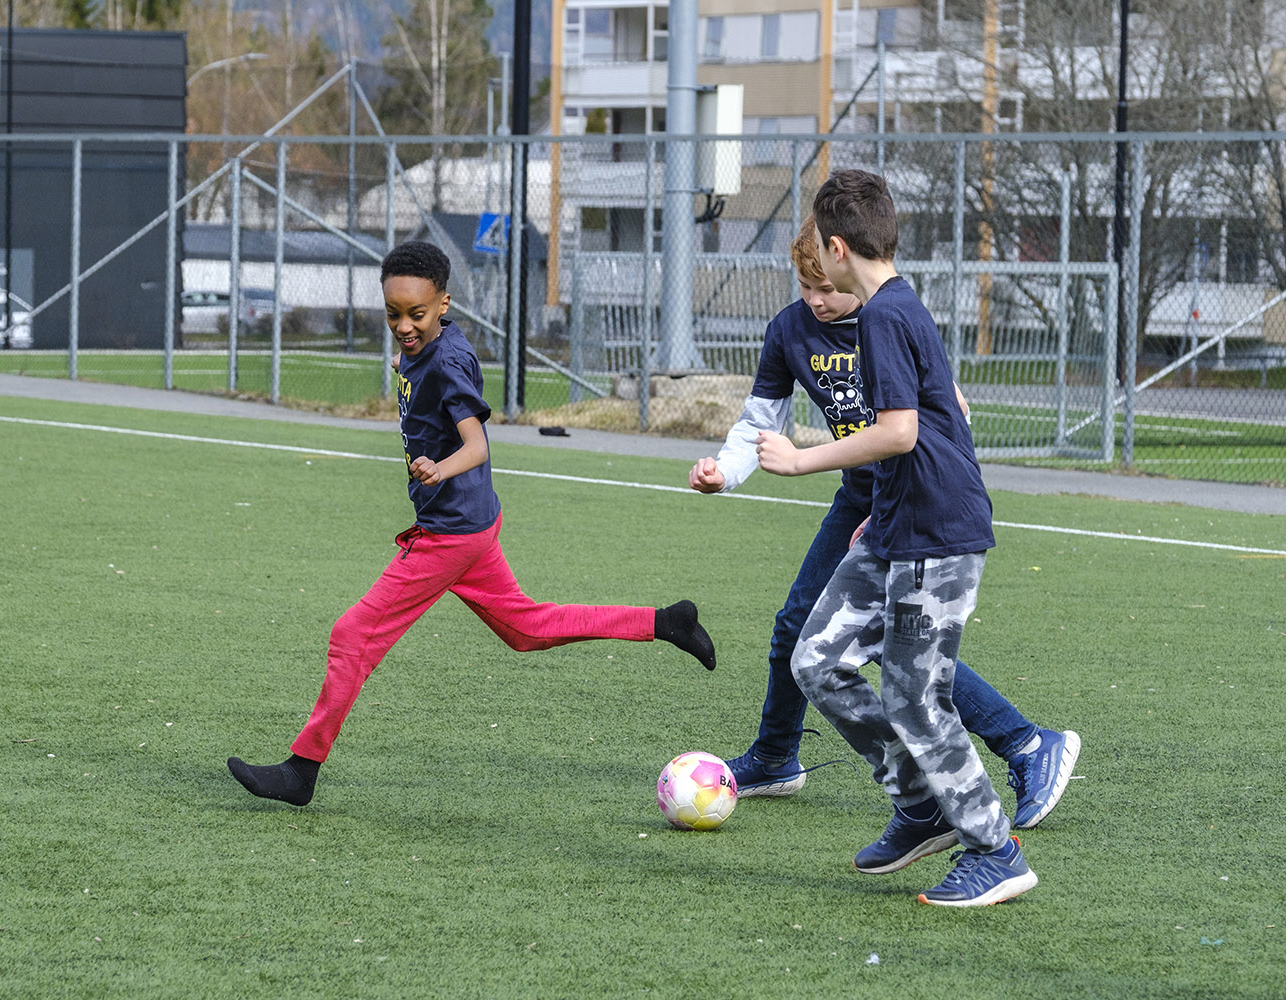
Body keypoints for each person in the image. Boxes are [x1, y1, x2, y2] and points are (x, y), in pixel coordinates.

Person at [228, 240, 717, 806]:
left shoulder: (452, 361)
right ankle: (665, 622)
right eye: (393, 315)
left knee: (352, 635)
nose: (404, 327)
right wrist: (404, 361)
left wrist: (439, 468)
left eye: (417, 315)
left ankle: (300, 771)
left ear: (444, 304)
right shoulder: (425, 345)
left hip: (449, 533)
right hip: (473, 525)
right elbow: (417, 363)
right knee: (526, 629)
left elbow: (477, 444)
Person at [689, 215, 1079, 835]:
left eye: (826, 288)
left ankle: (1024, 746)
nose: (816, 300)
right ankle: (774, 756)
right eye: (804, 287)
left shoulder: (887, 317)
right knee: (803, 627)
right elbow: (758, 421)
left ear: (847, 261)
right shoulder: (791, 329)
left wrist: (879, 516)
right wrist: (726, 471)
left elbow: (943, 425)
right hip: (862, 496)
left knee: (891, 648)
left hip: (909, 501)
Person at [755, 170, 1038, 906]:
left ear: (838, 246)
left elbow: (898, 431)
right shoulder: (896, 305)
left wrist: (799, 459)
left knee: (916, 699)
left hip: (936, 536)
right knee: (815, 658)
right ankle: (919, 807)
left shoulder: (883, 316)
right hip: (891, 528)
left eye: (820, 245)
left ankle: (994, 849)